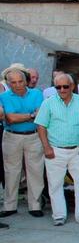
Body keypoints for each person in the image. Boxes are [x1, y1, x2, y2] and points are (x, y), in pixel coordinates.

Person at [35, 73, 79, 226]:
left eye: (65, 86)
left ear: (72, 86)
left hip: (77, 150)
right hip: (55, 150)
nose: (62, 89)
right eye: (58, 87)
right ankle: (59, 215)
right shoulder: (48, 103)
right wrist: (46, 147)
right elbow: (41, 126)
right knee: (55, 184)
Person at [0, 67, 45, 218]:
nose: (18, 85)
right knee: (11, 171)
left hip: (33, 135)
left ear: (26, 81)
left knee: (36, 171)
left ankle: (35, 205)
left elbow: (41, 116)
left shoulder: (37, 94)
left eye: (20, 81)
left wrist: (24, 116)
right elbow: (11, 119)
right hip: (12, 136)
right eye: (13, 82)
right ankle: (10, 205)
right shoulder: (4, 96)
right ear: (8, 83)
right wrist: (32, 114)